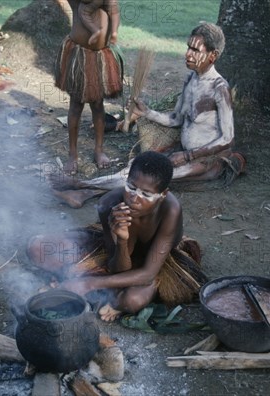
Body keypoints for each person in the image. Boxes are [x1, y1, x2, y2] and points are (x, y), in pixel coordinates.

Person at [50, 22, 245, 208]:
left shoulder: (220, 88)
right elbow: (176, 119)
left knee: (149, 177)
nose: (187, 54)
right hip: (183, 154)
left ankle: (80, 185)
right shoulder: (191, 80)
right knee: (135, 168)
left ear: (213, 56)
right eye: (188, 48)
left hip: (207, 162)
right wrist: (147, 112)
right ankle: (81, 195)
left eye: (195, 51)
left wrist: (188, 156)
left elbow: (228, 138)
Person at [27, 152, 207, 321]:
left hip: (156, 262)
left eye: (146, 194)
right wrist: (121, 240)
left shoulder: (170, 211)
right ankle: (86, 288)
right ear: (126, 180)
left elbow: (147, 275)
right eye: (131, 187)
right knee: (38, 249)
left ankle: (91, 290)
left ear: (162, 194)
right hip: (116, 258)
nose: (134, 199)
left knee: (132, 300)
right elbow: (116, 268)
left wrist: (88, 284)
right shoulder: (109, 204)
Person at [54, 0, 123, 174]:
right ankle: (72, 154)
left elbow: (114, 11)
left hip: (99, 57)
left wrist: (113, 32)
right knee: (75, 106)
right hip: (79, 55)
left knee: (98, 105)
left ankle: (99, 150)